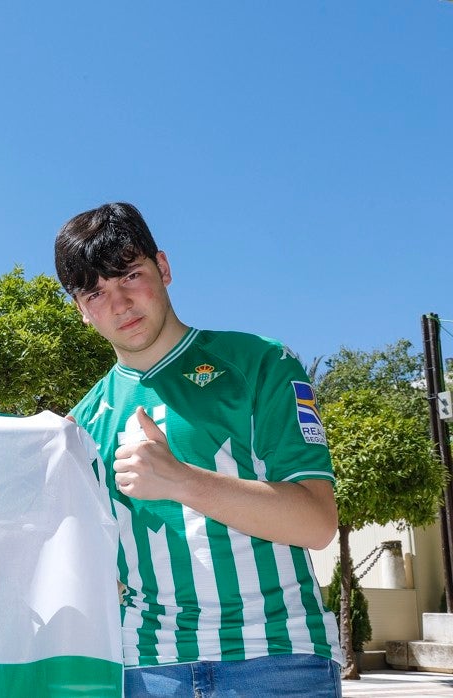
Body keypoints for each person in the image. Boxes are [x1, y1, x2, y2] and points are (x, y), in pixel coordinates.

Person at [54, 202, 342, 696]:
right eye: (95, 293)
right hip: (145, 670)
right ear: (81, 310)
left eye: (129, 275)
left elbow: (316, 523)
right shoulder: (80, 424)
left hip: (277, 659)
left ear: (163, 268)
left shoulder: (261, 362)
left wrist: (181, 480)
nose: (119, 304)